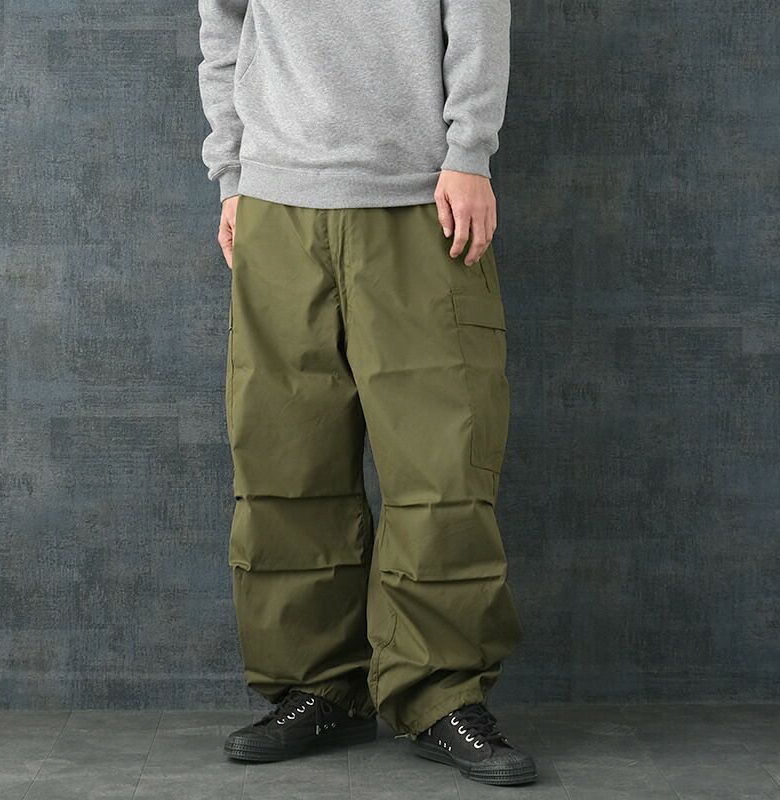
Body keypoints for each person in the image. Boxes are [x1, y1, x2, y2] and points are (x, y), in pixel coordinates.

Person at [197, 0, 537, 786]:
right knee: (287, 460)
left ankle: (441, 693)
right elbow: (223, 23)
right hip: (278, 200)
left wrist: (470, 151)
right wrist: (234, 171)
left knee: (441, 467)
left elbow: (478, 14)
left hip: (419, 194)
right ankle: (318, 687)